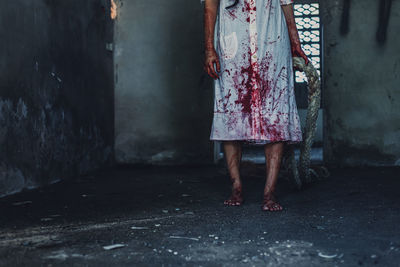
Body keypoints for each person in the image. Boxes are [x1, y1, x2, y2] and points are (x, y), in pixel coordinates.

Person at [203, 0, 308, 211]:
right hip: (233, 37)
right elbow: (210, 5)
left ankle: (270, 192)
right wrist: (209, 48)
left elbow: (286, 1)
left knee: (275, 108)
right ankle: (236, 186)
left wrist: (294, 39)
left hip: (272, 37)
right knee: (232, 112)